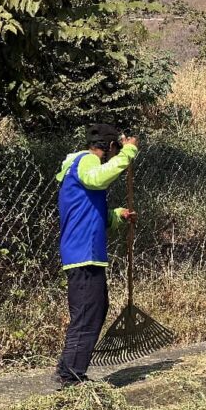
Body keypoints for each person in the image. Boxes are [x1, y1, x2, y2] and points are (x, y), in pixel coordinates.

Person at [54, 124, 138, 386]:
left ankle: (70, 369)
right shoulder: (87, 161)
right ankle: (70, 377)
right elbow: (98, 178)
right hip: (83, 254)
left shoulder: (79, 169)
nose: (116, 155)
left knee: (93, 311)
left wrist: (117, 215)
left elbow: (90, 215)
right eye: (116, 150)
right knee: (88, 314)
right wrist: (129, 154)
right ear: (111, 147)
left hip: (86, 252)